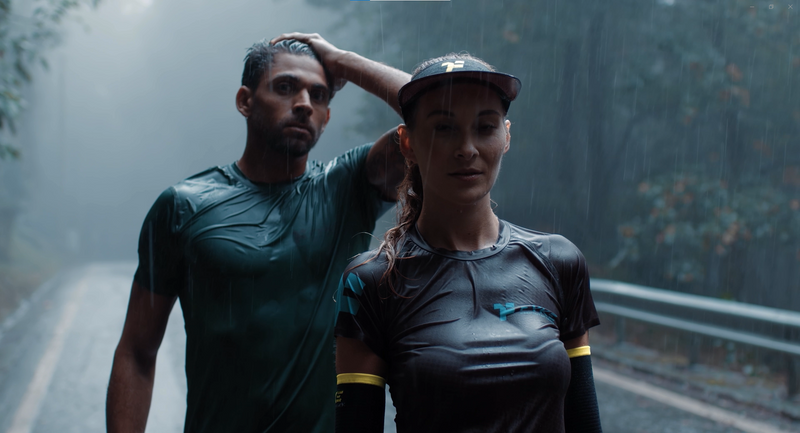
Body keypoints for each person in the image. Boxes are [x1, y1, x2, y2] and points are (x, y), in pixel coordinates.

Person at [106, 33, 410, 433]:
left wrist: (345, 62)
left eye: (319, 96)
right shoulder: (182, 207)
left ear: (327, 117)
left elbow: (440, 111)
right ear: (245, 101)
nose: (303, 104)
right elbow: (137, 351)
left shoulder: (349, 187)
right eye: (285, 87)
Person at [333, 54, 603, 433]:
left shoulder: (559, 261)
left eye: (485, 127)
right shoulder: (372, 281)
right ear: (407, 142)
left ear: (506, 136)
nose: (467, 148)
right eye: (444, 128)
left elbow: (585, 423)